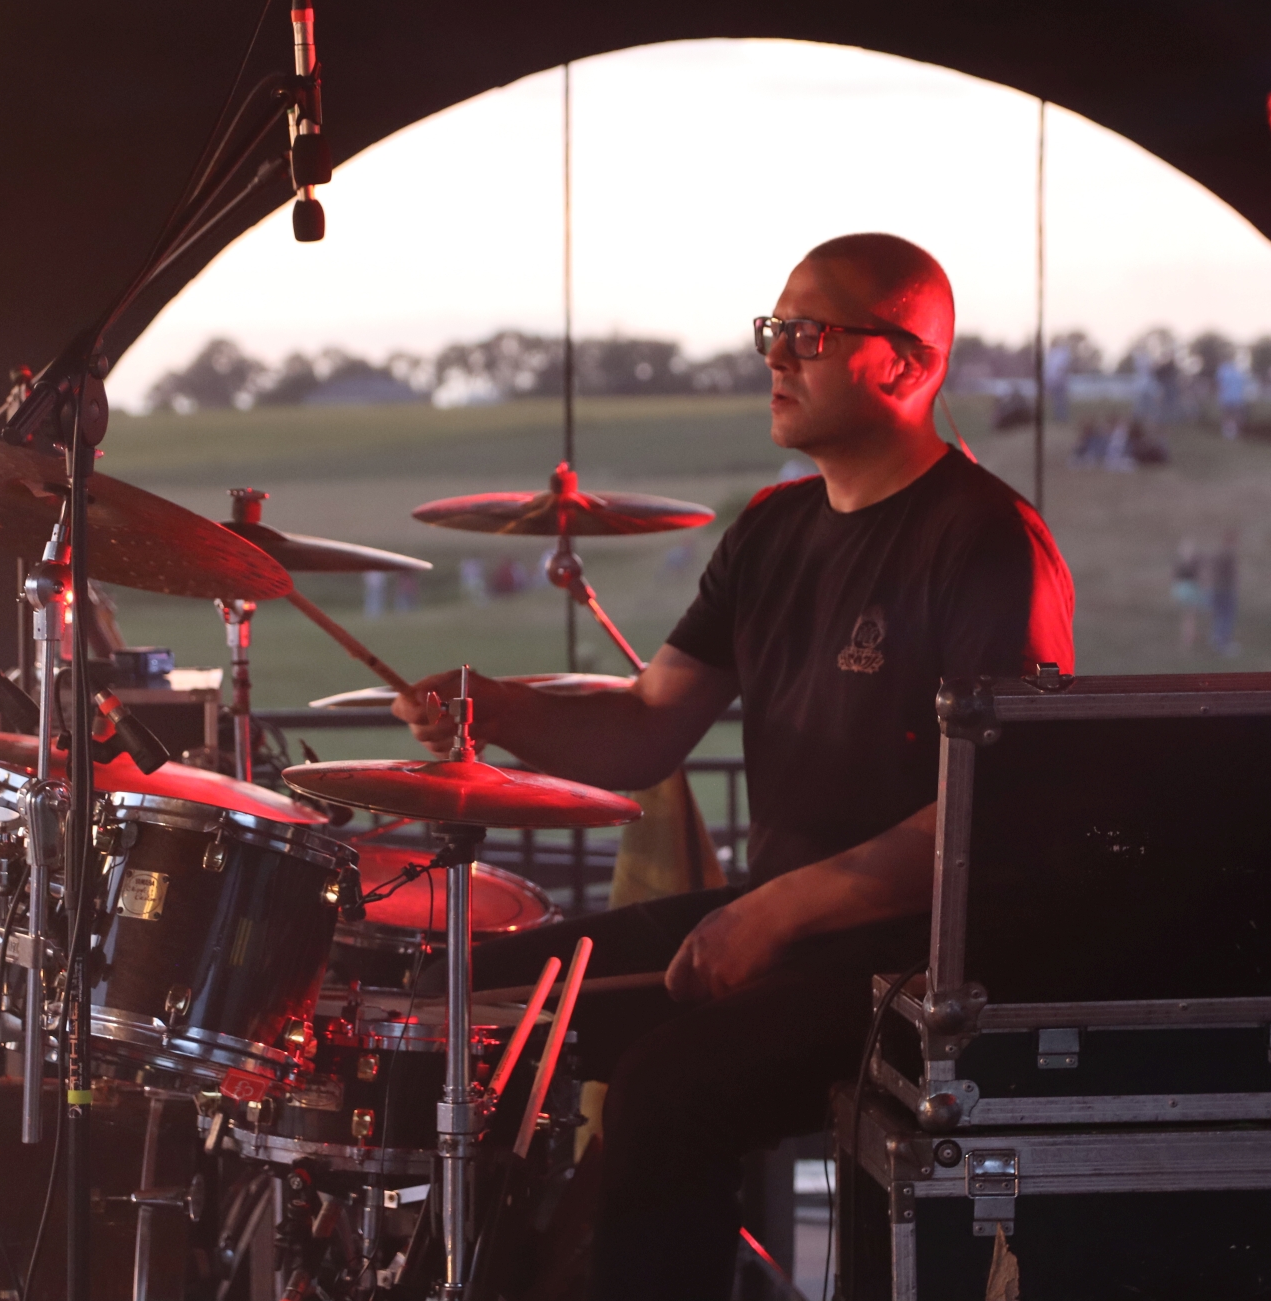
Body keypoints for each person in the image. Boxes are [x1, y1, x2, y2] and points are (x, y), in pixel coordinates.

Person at [393, 234, 1074, 1300]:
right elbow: (648, 724)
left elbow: (991, 812)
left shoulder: (984, 537)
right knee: (479, 1004)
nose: (775, 355)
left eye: (808, 333)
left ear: (903, 362)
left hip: (920, 967)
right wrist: (497, 705)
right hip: (783, 920)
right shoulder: (773, 528)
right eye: (773, 330)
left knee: (669, 1089)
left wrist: (774, 911)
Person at [1209, 528, 1241, 655]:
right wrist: (1236, 586)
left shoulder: (1217, 554)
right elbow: (1233, 574)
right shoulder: (1229, 555)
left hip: (1215, 589)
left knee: (1219, 615)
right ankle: (1223, 644)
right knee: (1226, 616)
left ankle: (1216, 638)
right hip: (1226, 590)